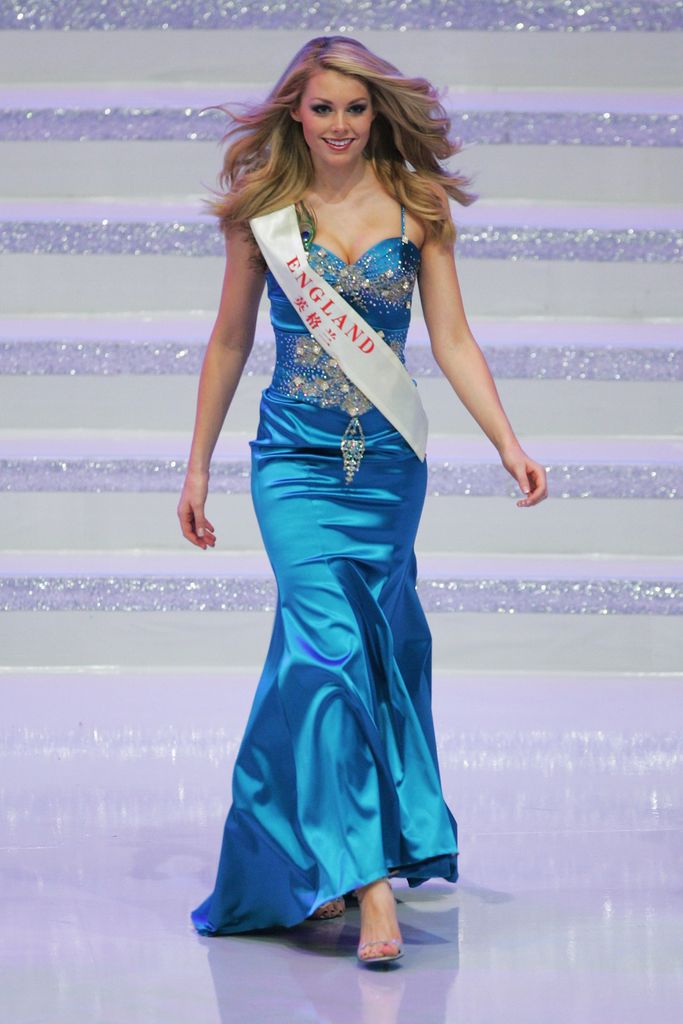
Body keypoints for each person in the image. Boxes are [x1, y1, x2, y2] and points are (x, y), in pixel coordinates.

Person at [177, 35, 547, 966]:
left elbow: (453, 339)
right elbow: (227, 343)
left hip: (386, 467)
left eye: (354, 107)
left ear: (375, 111)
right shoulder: (262, 213)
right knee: (325, 648)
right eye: (321, 108)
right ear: (294, 114)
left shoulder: (419, 209)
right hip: (293, 464)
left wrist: (507, 442)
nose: (338, 125)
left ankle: (308, 855)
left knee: (365, 653)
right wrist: (197, 467)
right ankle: (369, 884)